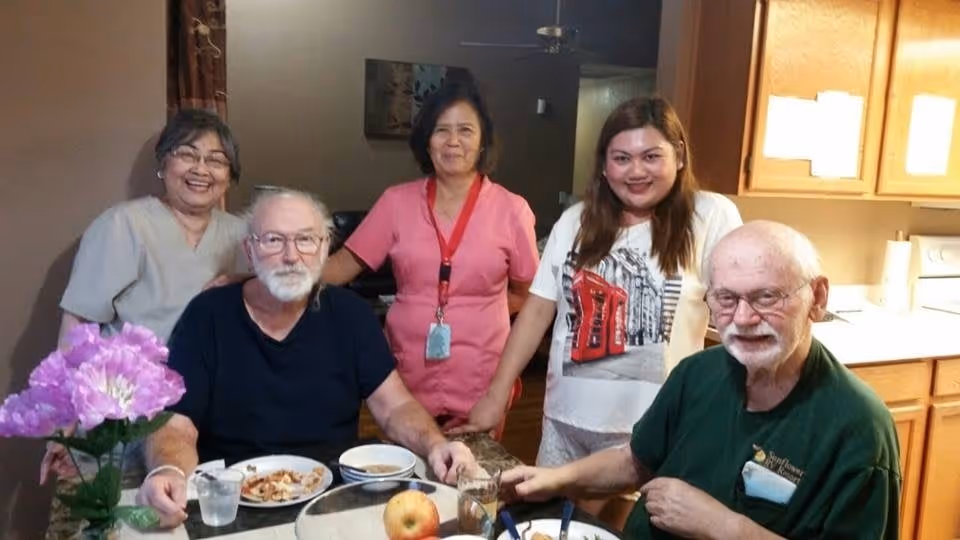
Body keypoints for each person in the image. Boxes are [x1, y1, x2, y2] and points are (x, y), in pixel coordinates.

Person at [501, 221, 901, 539]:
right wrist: (552, 479)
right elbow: (636, 461)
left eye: (766, 297)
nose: (743, 319)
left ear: (817, 298)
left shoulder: (858, 428)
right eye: (726, 299)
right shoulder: (699, 372)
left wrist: (724, 527)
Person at [451, 96, 742, 516]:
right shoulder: (576, 221)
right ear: (604, 166)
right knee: (552, 526)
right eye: (621, 158)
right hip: (565, 424)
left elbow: (736, 306)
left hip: (647, 436)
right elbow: (536, 312)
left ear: (678, 156)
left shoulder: (710, 216)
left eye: (651, 156)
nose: (636, 171)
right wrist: (496, 395)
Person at [137, 189, 476, 528]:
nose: (291, 255)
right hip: (229, 504)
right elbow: (176, 422)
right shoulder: (207, 314)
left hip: (332, 503)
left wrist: (436, 445)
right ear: (250, 251)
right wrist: (169, 470)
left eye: (306, 240)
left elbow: (395, 406)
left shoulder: (352, 315)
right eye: (273, 240)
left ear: (325, 247)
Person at [40, 109, 249, 484]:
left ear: (229, 174)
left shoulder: (245, 235)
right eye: (187, 154)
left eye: (217, 160)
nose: (201, 169)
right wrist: (63, 422)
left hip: (205, 419)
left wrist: (240, 281)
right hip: (125, 419)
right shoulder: (123, 225)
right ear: (163, 162)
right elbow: (78, 326)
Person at [322, 80, 540, 427]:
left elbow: (530, 296)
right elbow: (338, 268)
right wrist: (264, 275)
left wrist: (481, 310)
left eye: (465, 130)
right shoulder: (396, 202)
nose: (453, 141)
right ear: (427, 141)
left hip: (482, 380)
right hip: (406, 380)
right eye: (442, 130)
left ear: (482, 141)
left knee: (470, 476)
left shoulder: (512, 210)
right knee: (408, 476)